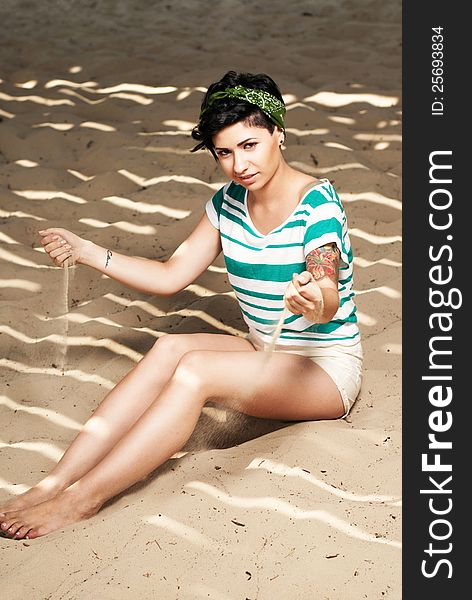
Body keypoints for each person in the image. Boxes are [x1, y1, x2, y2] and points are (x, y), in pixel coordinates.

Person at [0, 71, 362, 540]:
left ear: (279, 134)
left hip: (324, 371)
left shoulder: (318, 206)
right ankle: (55, 481)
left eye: (250, 145)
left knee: (196, 372)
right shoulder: (228, 202)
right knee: (171, 350)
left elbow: (326, 291)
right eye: (225, 152)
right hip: (264, 350)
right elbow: (171, 275)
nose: (240, 165)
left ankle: (80, 500)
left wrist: (315, 299)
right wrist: (88, 251)